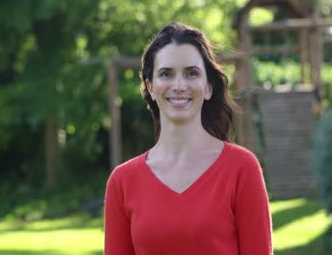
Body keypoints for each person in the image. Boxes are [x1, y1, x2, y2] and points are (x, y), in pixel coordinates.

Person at [104, 22, 272, 255]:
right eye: (166, 74)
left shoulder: (242, 169)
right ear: (150, 87)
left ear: (208, 87)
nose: (179, 85)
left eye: (191, 73)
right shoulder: (122, 182)